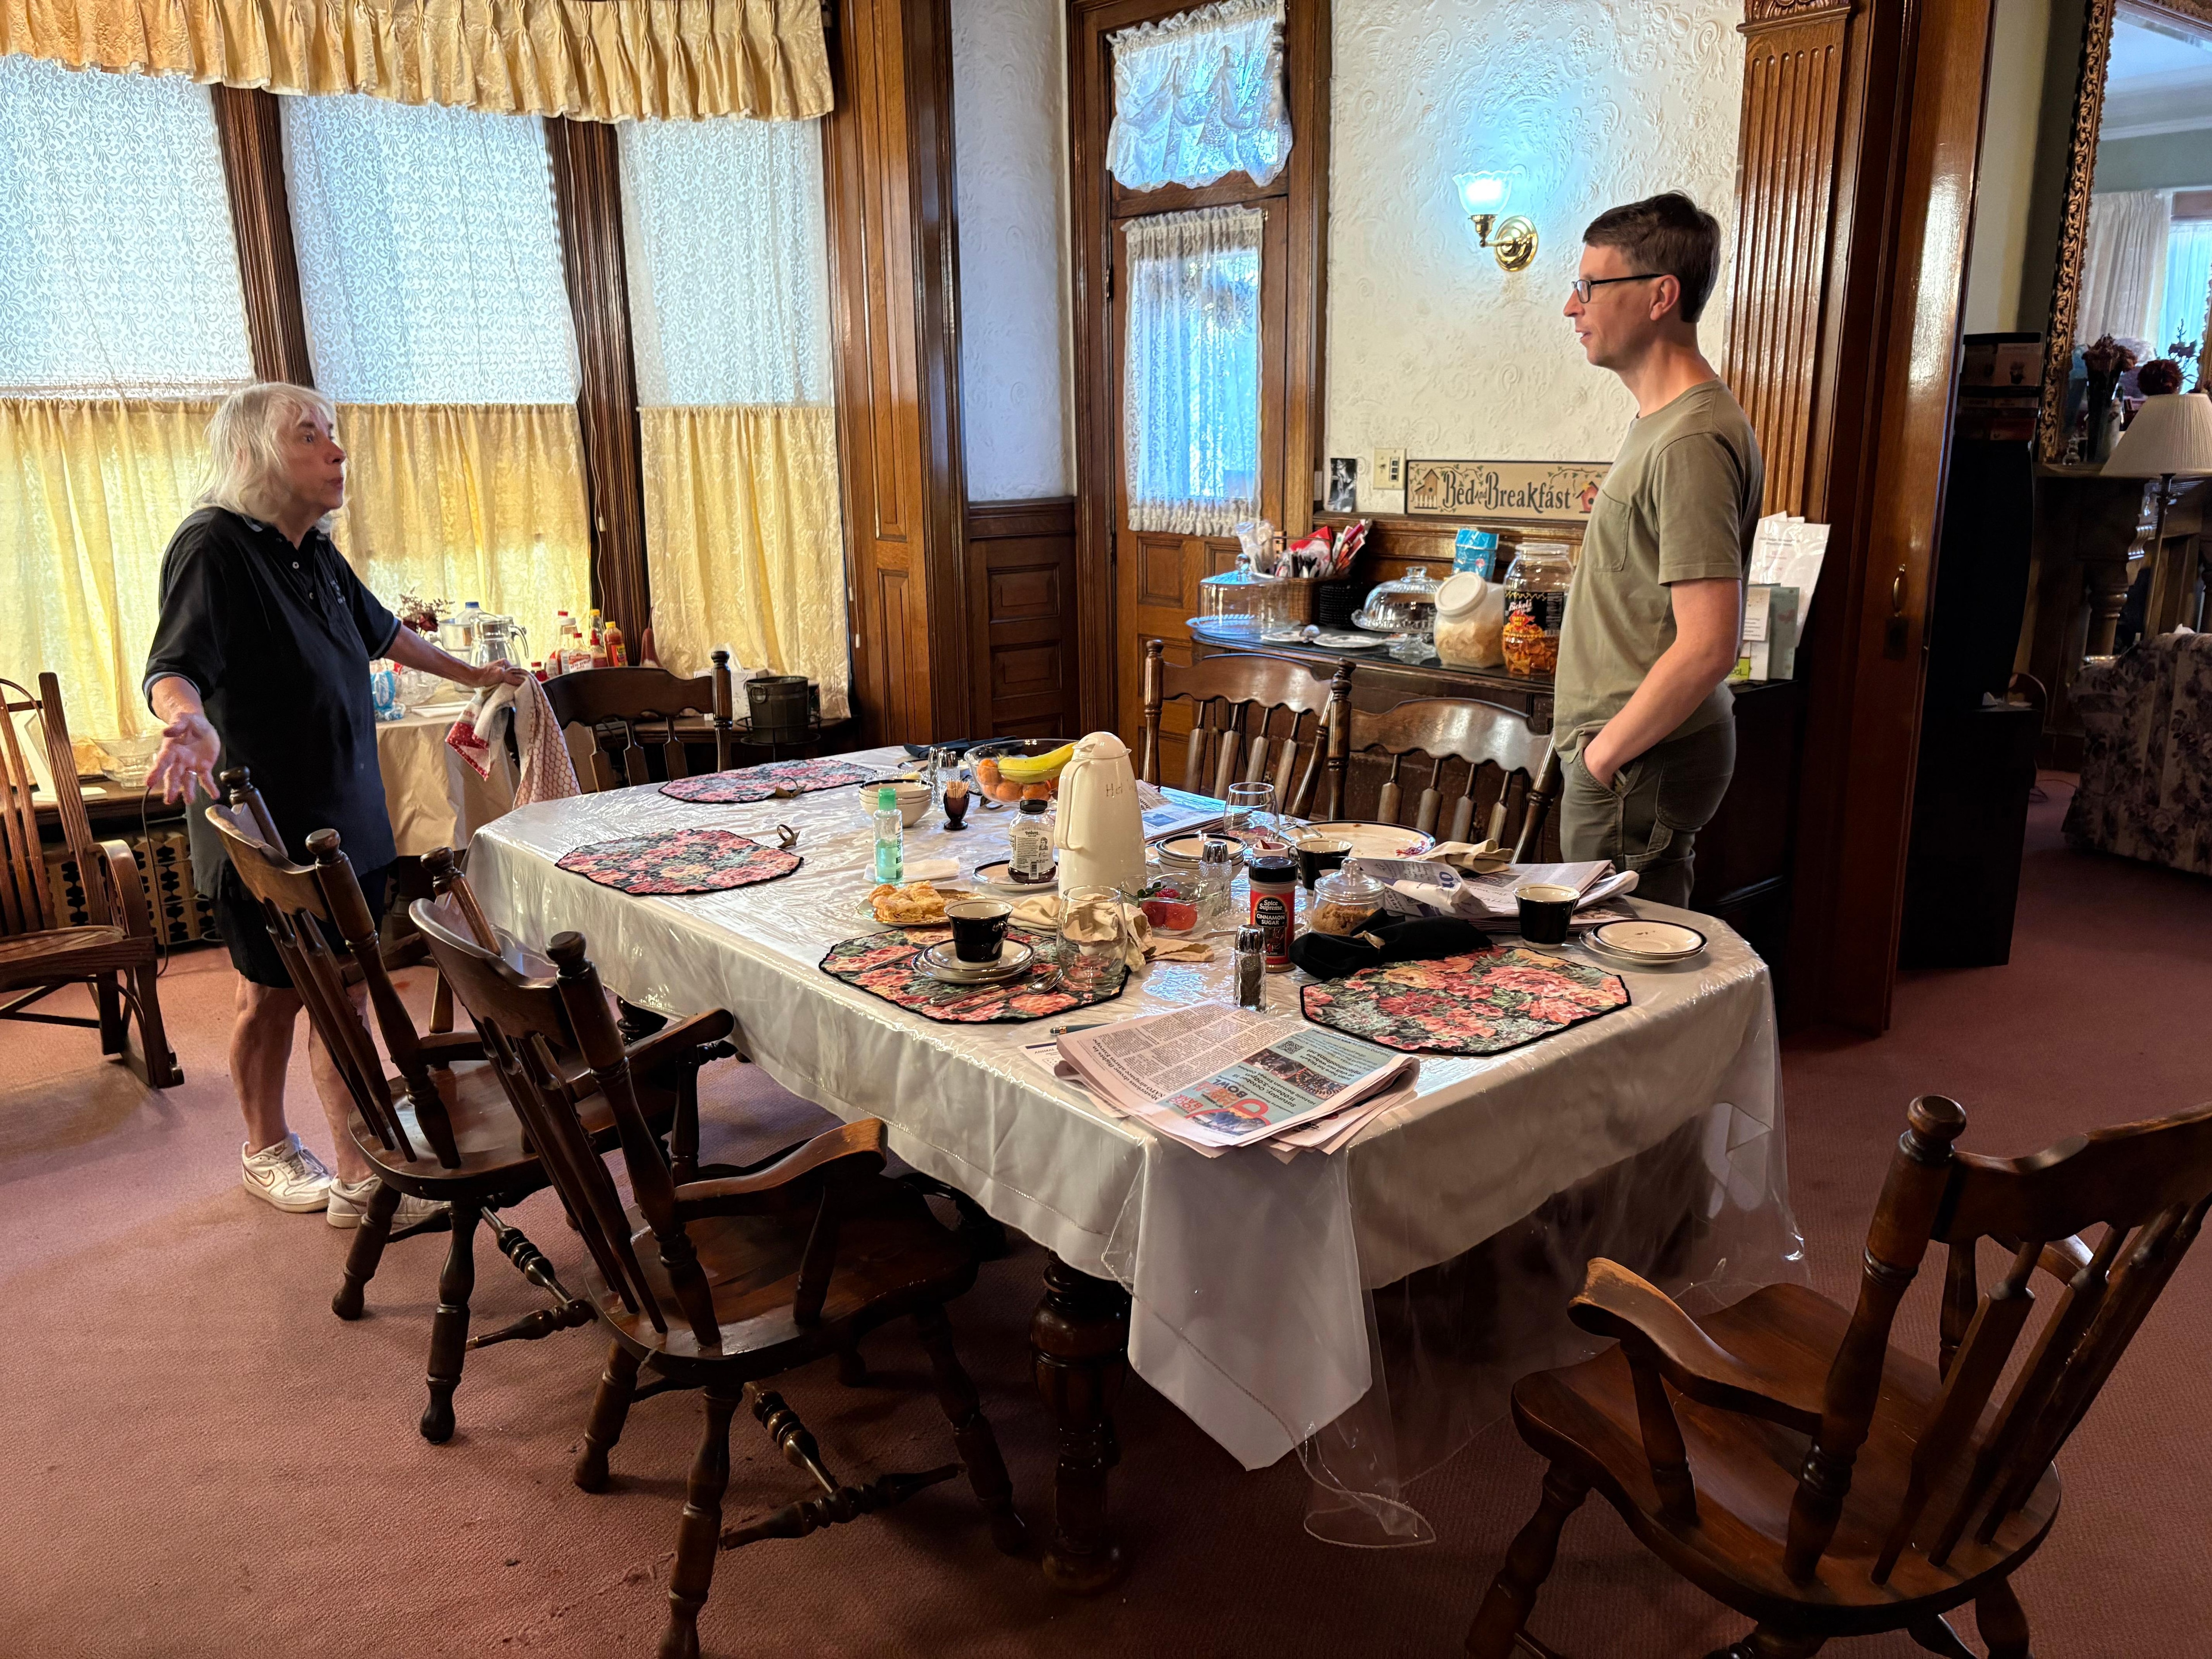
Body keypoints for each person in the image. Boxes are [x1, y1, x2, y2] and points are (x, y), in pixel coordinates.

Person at [143, 383, 523, 1222]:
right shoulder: (215, 545)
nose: (337, 450)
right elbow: (174, 666)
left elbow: (386, 633)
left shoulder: (313, 550)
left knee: (341, 990)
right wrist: (187, 721)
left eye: (334, 433)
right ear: (252, 457)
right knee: (277, 994)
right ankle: (277, 1151)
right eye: (309, 436)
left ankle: (353, 1170)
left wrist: (474, 673)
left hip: (344, 813)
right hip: (265, 826)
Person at [1552, 192, 1763, 908]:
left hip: (1634, 762)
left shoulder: (1690, 438)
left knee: (1621, 965)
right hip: (1627, 758)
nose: (1572, 307)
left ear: (1660, 296)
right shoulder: (1664, 423)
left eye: (1590, 286)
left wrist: (1602, 758)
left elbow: (1709, 645)